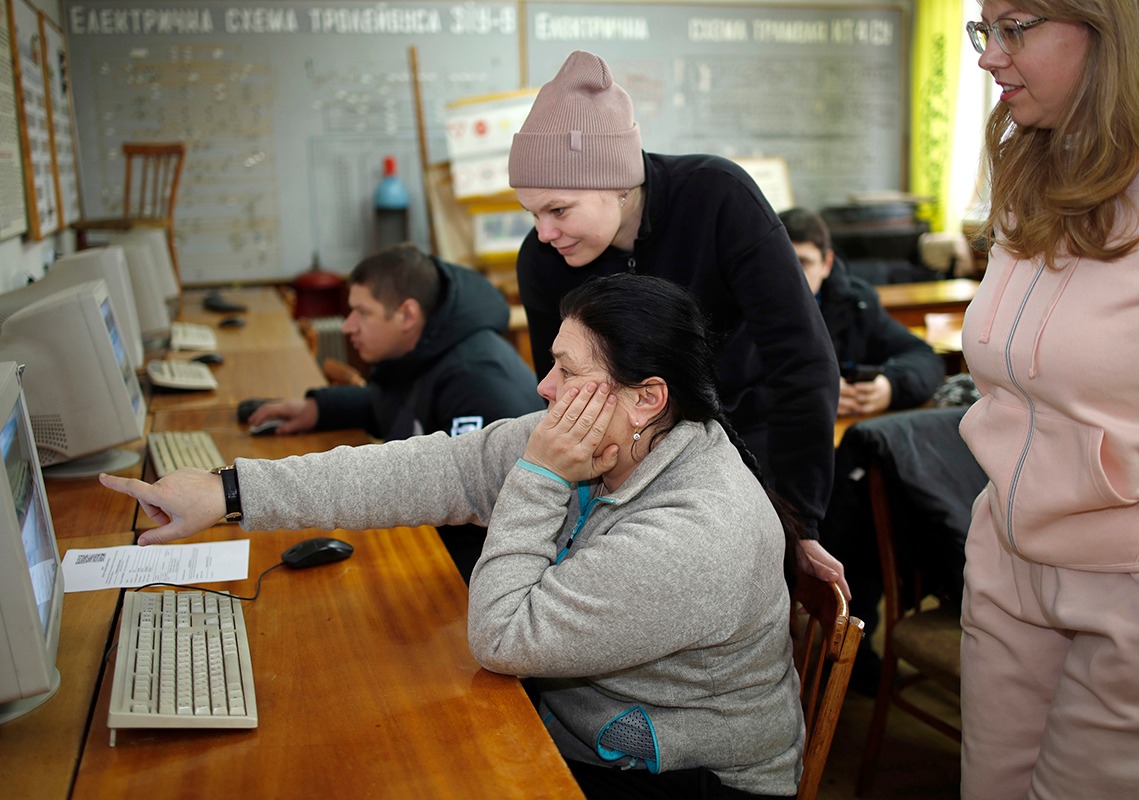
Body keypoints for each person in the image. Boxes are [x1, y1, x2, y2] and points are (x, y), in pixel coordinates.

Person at [101, 274, 810, 799]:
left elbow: (503, 638)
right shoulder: (609, 438)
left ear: (647, 398)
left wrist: (538, 477)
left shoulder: (693, 534)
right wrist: (230, 492)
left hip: (684, 775)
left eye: (567, 371)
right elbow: (436, 468)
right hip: (582, 724)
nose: (544, 387)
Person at [958, 2, 1139, 798]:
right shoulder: (1034, 168)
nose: (990, 55)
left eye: (1015, 27)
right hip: (1007, 565)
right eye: (984, 29)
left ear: (1115, 29)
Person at [508, 50, 847, 596]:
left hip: (750, 452)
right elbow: (562, 397)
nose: (544, 233)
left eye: (559, 210)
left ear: (618, 182)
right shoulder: (543, 259)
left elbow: (802, 361)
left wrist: (799, 519)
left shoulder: (718, 198)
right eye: (533, 214)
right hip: (626, 470)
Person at [247, 244, 545, 579]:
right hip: (437, 544)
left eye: (362, 312)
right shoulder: (424, 349)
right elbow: (398, 408)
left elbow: (473, 501)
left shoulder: (477, 383)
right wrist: (319, 408)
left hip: (474, 571)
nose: (348, 326)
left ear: (407, 315)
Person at [779, 206, 945, 416]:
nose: (792, 275)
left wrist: (890, 387)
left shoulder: (856, 303)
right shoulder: (744, 311)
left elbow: (923, 357)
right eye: (782, 263)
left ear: (826, 264)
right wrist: (810, 395)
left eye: (803, 263)